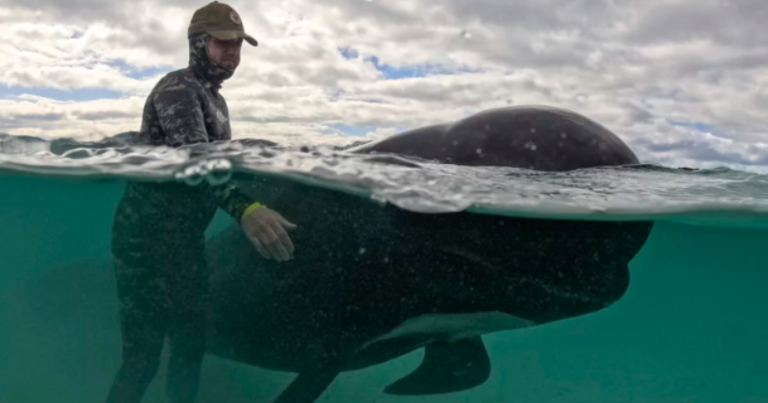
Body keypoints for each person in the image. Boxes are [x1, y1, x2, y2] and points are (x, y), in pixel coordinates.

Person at [106, 2, 296, 402]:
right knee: (142, 358)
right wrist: (246, 209)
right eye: (222, 42)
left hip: (185, 246)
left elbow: (217, 165)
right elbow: (197, 161)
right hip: (144, 245)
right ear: (198, 43)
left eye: (238, 44)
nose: (232, 51)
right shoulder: (178, 89)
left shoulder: (216, 101)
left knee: (191, 348)